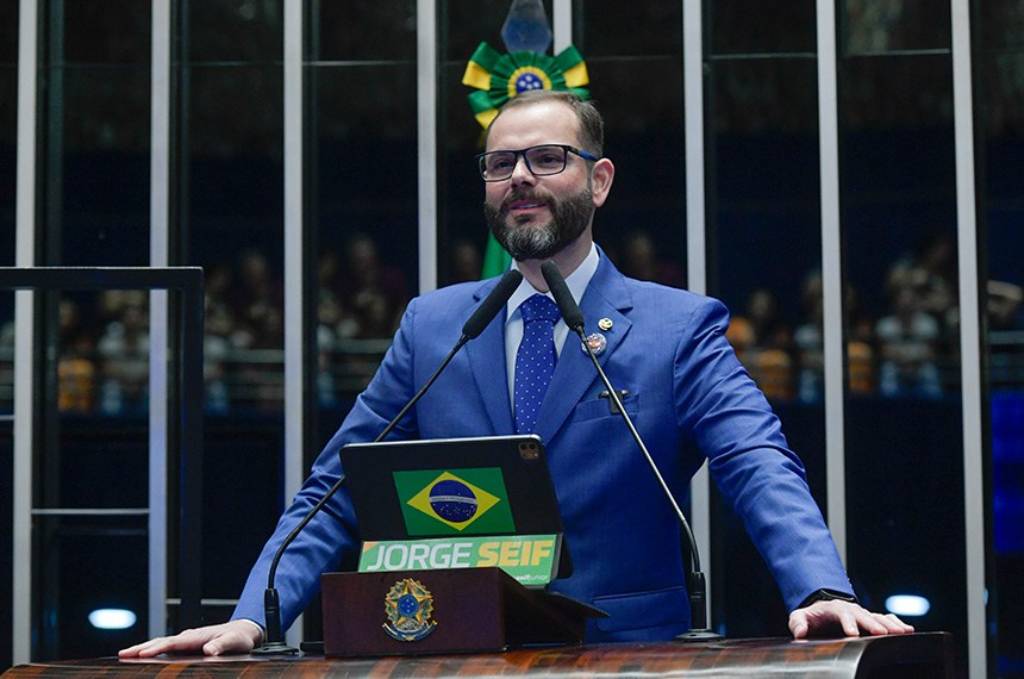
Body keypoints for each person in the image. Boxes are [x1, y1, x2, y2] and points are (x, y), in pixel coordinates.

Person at [121, 91, 912, 658]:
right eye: (501, 163)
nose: (521, 177)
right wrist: (254, 615)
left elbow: (756, 462)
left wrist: (819, 588)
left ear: (599, 181)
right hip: (452, 655)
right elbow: (334, 490)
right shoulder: (436, 326)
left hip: (626, 658)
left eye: (546, 158)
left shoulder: (677, 327)